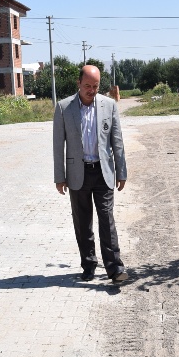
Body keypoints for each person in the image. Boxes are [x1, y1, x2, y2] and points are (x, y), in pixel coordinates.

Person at [52, 65, 128, 282]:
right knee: (82, 222)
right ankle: (88, 264)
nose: (91, 90)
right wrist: (60, 177)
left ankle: (115, 268)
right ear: (78, 83)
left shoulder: (109, 105)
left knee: (107, 219)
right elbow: (58, 146)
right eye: (87, 86)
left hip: (103, 172)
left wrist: (121, 171)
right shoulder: (64, 108)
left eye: (95, 86)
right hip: (78, 173)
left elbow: (117, 141)